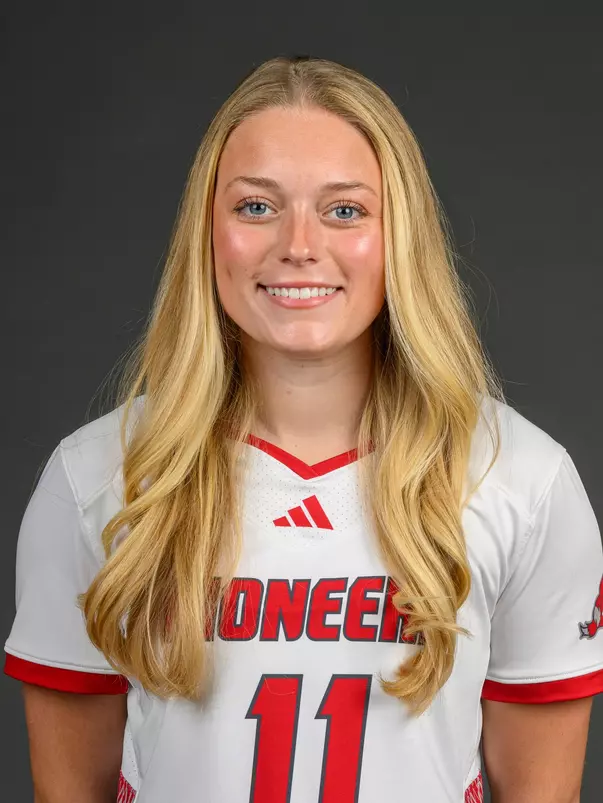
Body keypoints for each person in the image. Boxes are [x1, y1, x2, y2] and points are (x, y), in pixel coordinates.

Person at [4, 55, 603, 803]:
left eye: (344, 209)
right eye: (255, 207)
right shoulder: (96, 477)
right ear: (207, 233)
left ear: (399, 236)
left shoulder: (521, 479)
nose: (298, 243)